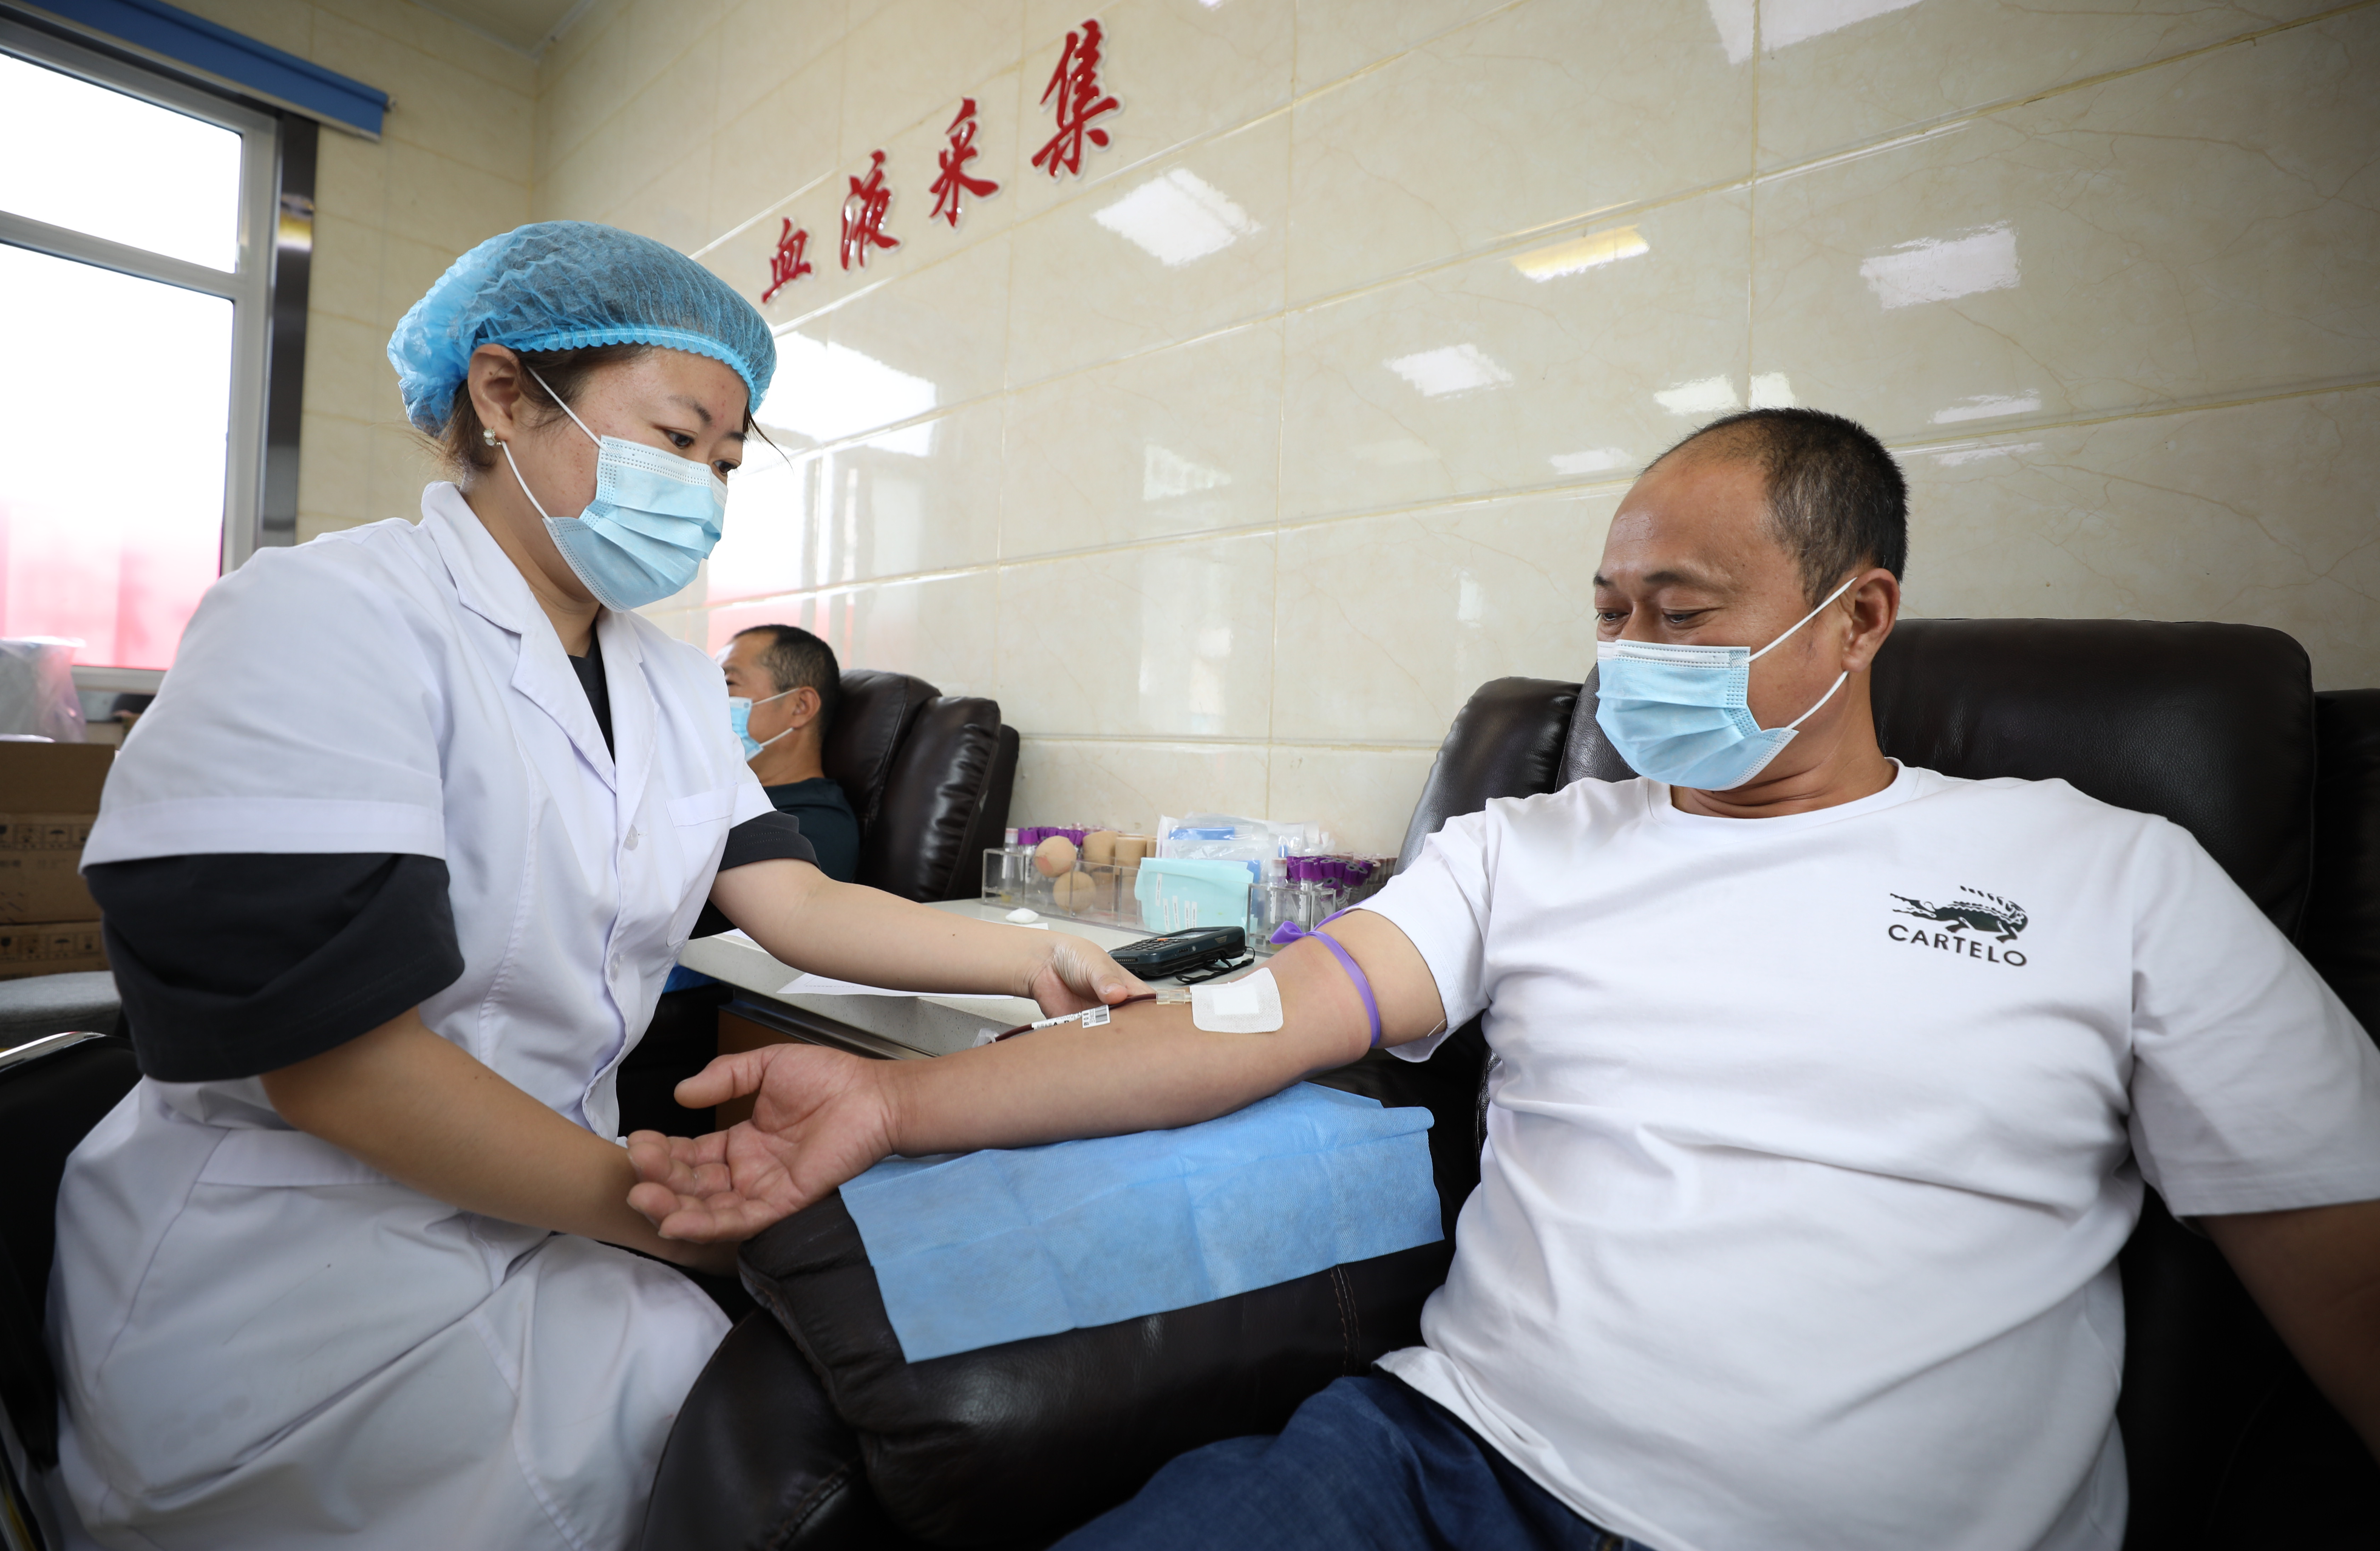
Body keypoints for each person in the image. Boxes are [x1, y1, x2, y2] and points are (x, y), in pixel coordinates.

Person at [631, 409, 2380, 1551]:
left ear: (1857, 619)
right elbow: (1253, 1017)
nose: (1630, 657)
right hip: (1439, 1468)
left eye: (1684, 613)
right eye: (1611, 609)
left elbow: (2343, 1258)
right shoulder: (1529, 846)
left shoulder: (2109, 876)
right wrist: (897, 1102)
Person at [49, 221, 1146, 1551]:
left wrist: (1032, 958)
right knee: (762, 1440)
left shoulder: (674, 686)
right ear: (505, 394)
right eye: (676, 438)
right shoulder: (324, 616)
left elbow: (796, 904)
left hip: (551, 1217)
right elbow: (337, 1066)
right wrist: (683, 1221)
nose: (701, 491)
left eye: (724, 463)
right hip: (293, 1271)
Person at [720, 624, 858, 882]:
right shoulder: (723, 792)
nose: (710, 699)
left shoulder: (816, 828)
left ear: (800, 707)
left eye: (728, 683)